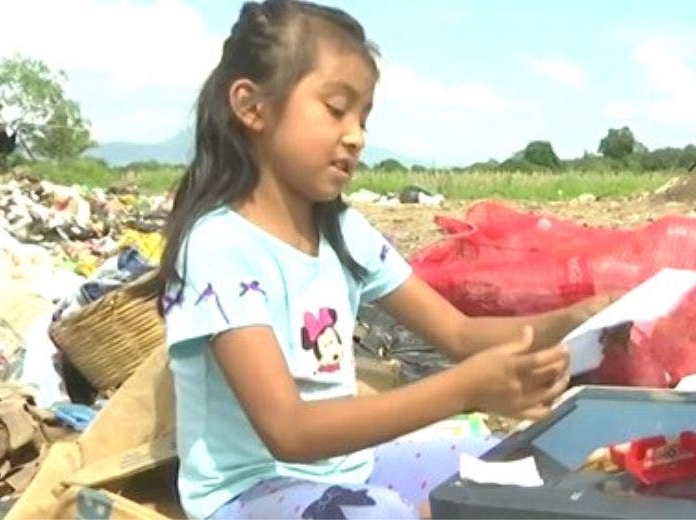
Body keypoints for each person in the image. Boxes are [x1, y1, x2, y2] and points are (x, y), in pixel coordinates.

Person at [153, 1, 613, 518]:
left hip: (349, 467)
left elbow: (458, 335)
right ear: (252, 107)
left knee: (524, 467)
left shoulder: (343, 231)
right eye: (336, 108)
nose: (356, 135)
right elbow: (288, 431)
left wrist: (571, 323)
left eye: (364, 117)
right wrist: (465, 390)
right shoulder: (221, 246)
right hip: (252, 493)